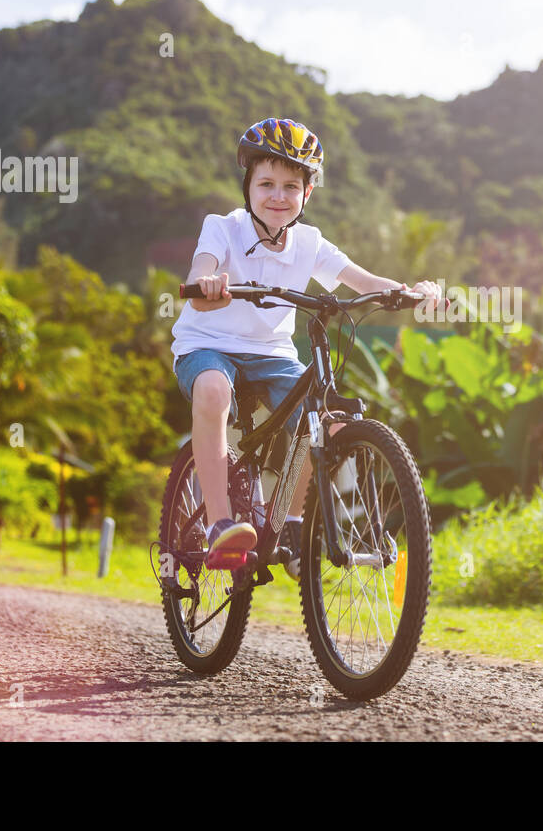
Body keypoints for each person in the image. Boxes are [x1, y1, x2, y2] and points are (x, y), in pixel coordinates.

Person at [170, 117, 441, 574]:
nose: (278, 196)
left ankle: (291, 520)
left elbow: (361, 279)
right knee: (214, 390)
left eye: (291, 186)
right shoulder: (223, 227)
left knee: (328, 423)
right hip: (208, 344)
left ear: (307, 194)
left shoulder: (310, 242)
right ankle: (220, 525)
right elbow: (203, 266)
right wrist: (207, 282)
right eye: (267, 183)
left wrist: (409, 290)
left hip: (272, 355)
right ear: (248, 187)